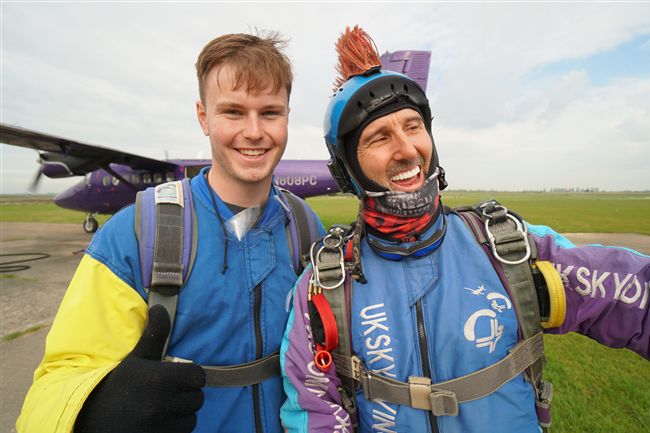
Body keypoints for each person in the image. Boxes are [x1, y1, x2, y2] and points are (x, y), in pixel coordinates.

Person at [280, 26, 649, 433]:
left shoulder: (508, 248)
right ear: (349, 168)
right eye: (380, 137)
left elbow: (630, 295)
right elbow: (315, 412)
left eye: (413, 127)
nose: (407, 149)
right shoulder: (325, 285)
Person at [17, 32, 324, 433]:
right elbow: (57, 380)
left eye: (270, 112)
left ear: (287, 116)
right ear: (203, 116)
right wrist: (90, 412)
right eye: (233, 112)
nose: (253, 131)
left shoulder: (306, 227)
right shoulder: (132, 236)